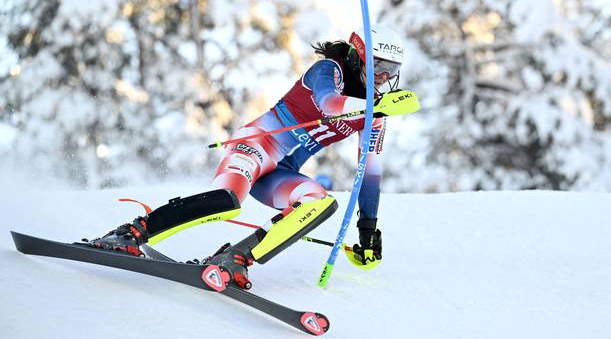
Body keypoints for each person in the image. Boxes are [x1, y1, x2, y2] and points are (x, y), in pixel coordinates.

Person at [86, 25, 417, 290]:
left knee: (319, 202)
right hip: (256, 146)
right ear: (360, 59)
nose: (385, 78)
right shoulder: (329, 70)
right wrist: (377, 107)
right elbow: (330, 104)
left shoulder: (374, 112)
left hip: (279, 173)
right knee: (227, 200)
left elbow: (370, 172)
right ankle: (132, 232)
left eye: (392, 71)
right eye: (380, 67)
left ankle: (236, 257)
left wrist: (367, 227)